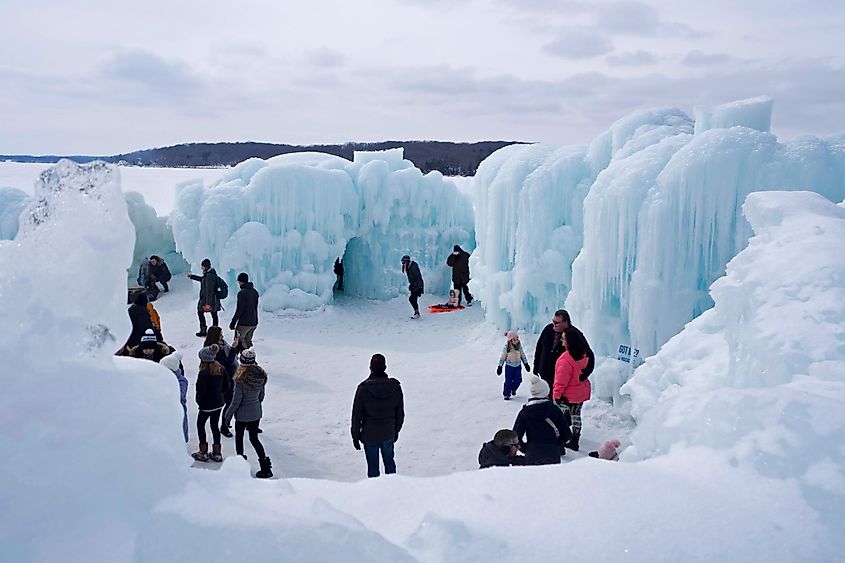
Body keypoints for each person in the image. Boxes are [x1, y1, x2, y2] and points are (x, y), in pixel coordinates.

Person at [351, 354, 404, 478]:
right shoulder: (395, 387)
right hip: (388, 433)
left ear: (370, 368)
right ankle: (393, 491)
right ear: (385, 367)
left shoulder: (363, 389)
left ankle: (375, 494)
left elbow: (356, 415)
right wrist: (395, 431)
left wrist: (355, 435)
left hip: (369, 435)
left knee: (373, 468)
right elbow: (400, 413)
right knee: (390, 464)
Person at [223, 349, 272, 478]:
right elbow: (261, 396)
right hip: (256, 413)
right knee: (254, 439)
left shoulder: (240, 379)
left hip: (242, 416)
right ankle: (266, 467)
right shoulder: (261, 376)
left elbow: (235, 402)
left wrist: (227, 417)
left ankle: (240, 467)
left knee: (239, 440)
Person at [533, 309, 595, 398]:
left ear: (565, 323)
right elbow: (539, 348)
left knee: (557, 406)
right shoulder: (548, 329)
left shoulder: (575, 335)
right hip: (545, 375)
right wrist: (536, 367)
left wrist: (585, 374)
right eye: (553, 321)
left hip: (562, 379)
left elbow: (589, 354)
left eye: (556, 322)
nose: (553, 324)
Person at [513, 374, 571, 465]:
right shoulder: (555, 410)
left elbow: (515, 436)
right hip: (552, 453)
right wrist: (555, 445)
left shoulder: (524, 413)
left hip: (532, 454)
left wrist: (526, 448)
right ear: (546, 392)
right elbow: (567, 434)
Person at [553, 326, 592, 452]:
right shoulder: (584, 354)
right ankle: (575, 441)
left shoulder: (565, 360)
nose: (561, 341)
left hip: (567, 396)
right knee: (576, 417)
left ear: (569, 341)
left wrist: (556, 396)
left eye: (563, 339)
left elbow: (560, 382)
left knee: (558, 418)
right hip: (580, 394)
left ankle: (560, 440)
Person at [192, 344, 229, 463]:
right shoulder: (221, 369)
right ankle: (217, 452)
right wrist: (220, 395)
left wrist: (200, 402)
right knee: (214, 426)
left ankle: (203, 451)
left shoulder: (203, 373)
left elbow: (200, 390)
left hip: (206, 406)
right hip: (218, 403)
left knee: (200, 425)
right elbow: (226, 386)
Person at [203, 326, 238, 438]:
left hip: (229, 376)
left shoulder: (222, 344)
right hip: (222, 378)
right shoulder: (213, 349)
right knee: (227, 402)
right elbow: (227, 362)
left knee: (228, 402)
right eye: (220, 334)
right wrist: (233, 348)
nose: (222, 336)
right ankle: (223, 426)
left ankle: (225, 423)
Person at [187, 258, 221, 337]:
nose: (201, 268)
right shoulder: (209, 274)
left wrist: (208, 303)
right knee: (214, 314)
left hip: (209, 300)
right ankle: (215, 331)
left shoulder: (209, 276)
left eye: (202, 267)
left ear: (205, 267)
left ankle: (205, 331)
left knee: (201, 312)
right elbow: (202, 279)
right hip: (213, 300)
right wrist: (192, 276)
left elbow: (209, 291)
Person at [160, 351, 189, 443]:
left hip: (178, 412)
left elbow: (179, 396)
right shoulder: (163, 377)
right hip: (167, 411)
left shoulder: (181, 381)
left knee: (178, 435)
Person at [229, 272, 259, 350]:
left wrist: (233, 322)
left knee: (238, 342)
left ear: (240, 281)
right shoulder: (255, 292)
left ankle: (243, 359)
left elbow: (240, 310)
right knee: (248, 342)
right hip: (254, 322)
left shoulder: (242, 293)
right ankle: (251, 359)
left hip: (244, 323)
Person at [497, 330, 530, 400]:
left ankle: (513, 389)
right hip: (509, 367)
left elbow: (523, 355)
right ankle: (506, 394)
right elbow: (502, 357)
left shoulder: (519, 347)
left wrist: (526, 364)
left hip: (518, 367)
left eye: (517, 339)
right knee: (508, 381)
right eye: (515, 339)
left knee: (519, 380)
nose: (517, 341)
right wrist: (500, 366)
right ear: (510, 340)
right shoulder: (507, 348)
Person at [401, 255, 424, 319]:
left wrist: (419, 288)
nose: (402, 264)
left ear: (407, 261)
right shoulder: (409, 267)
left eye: (403, 262)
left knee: (412, 299)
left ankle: (417, 313)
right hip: (414, 286)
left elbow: (418, 277)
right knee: (413, 299)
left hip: (417, 286)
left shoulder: (413, 267)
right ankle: (417, 313)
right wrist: (411, 285)